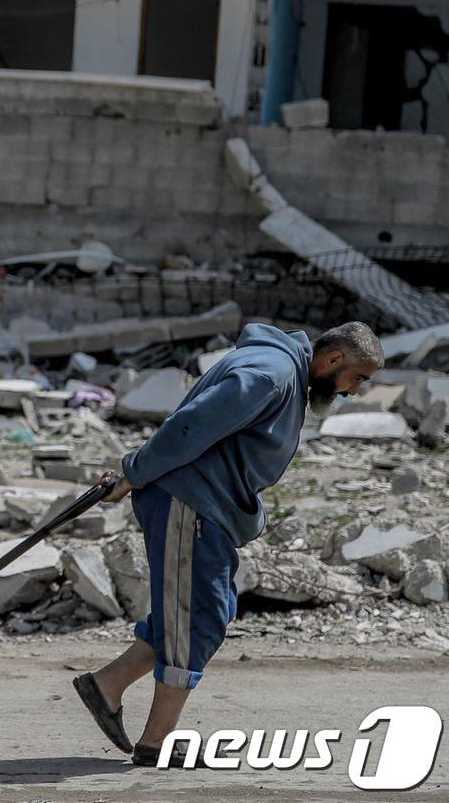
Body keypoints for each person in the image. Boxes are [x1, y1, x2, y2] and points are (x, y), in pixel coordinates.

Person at [72, 321, 382, 766]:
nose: (354, 390)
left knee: (201, 611)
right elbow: (190, 427)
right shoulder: (271, 374)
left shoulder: (283, 374)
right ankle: (156, 743)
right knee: (196, 617)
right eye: (357, 378)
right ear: (333, 360)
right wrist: (133, 472)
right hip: (190, 501)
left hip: (206, 506)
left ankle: (106, 688)